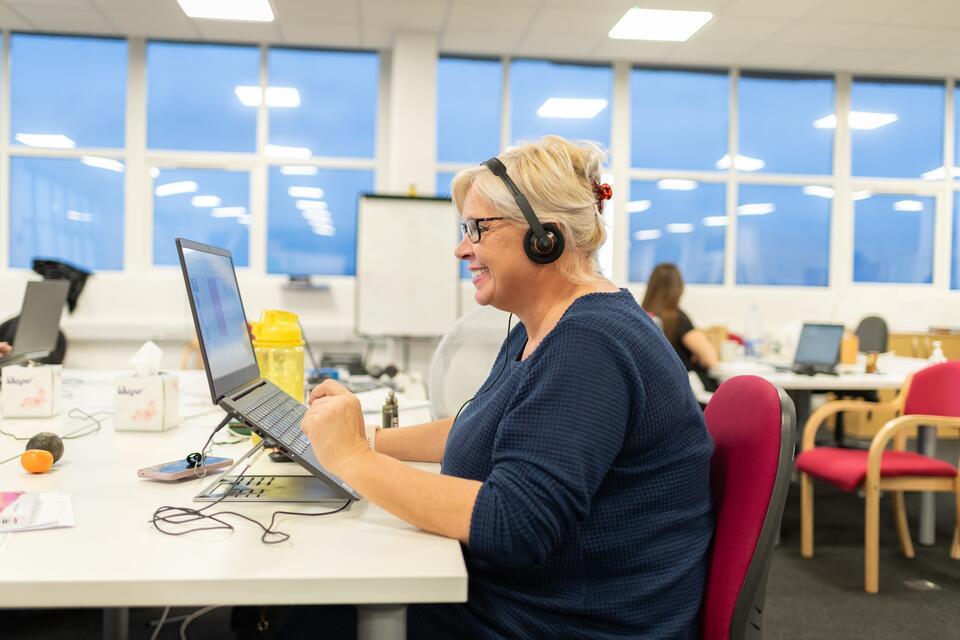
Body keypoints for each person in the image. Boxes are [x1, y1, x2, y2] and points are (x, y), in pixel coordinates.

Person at [291, 137, 714, 639]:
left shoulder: (590, 343)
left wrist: (353, 461)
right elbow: (479, 429)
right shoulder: (542, 327)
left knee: (304, 609)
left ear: (544, 237)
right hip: (532, 602)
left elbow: (514, 525)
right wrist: (363, 440)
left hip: (555, 623)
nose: (461, 247)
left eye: (478, 228)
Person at [641, 263, 719, 391]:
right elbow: (710, 359)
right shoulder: (677, 318)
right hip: (687, 390)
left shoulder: (642, 316)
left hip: (657, 389)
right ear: (678, 287)